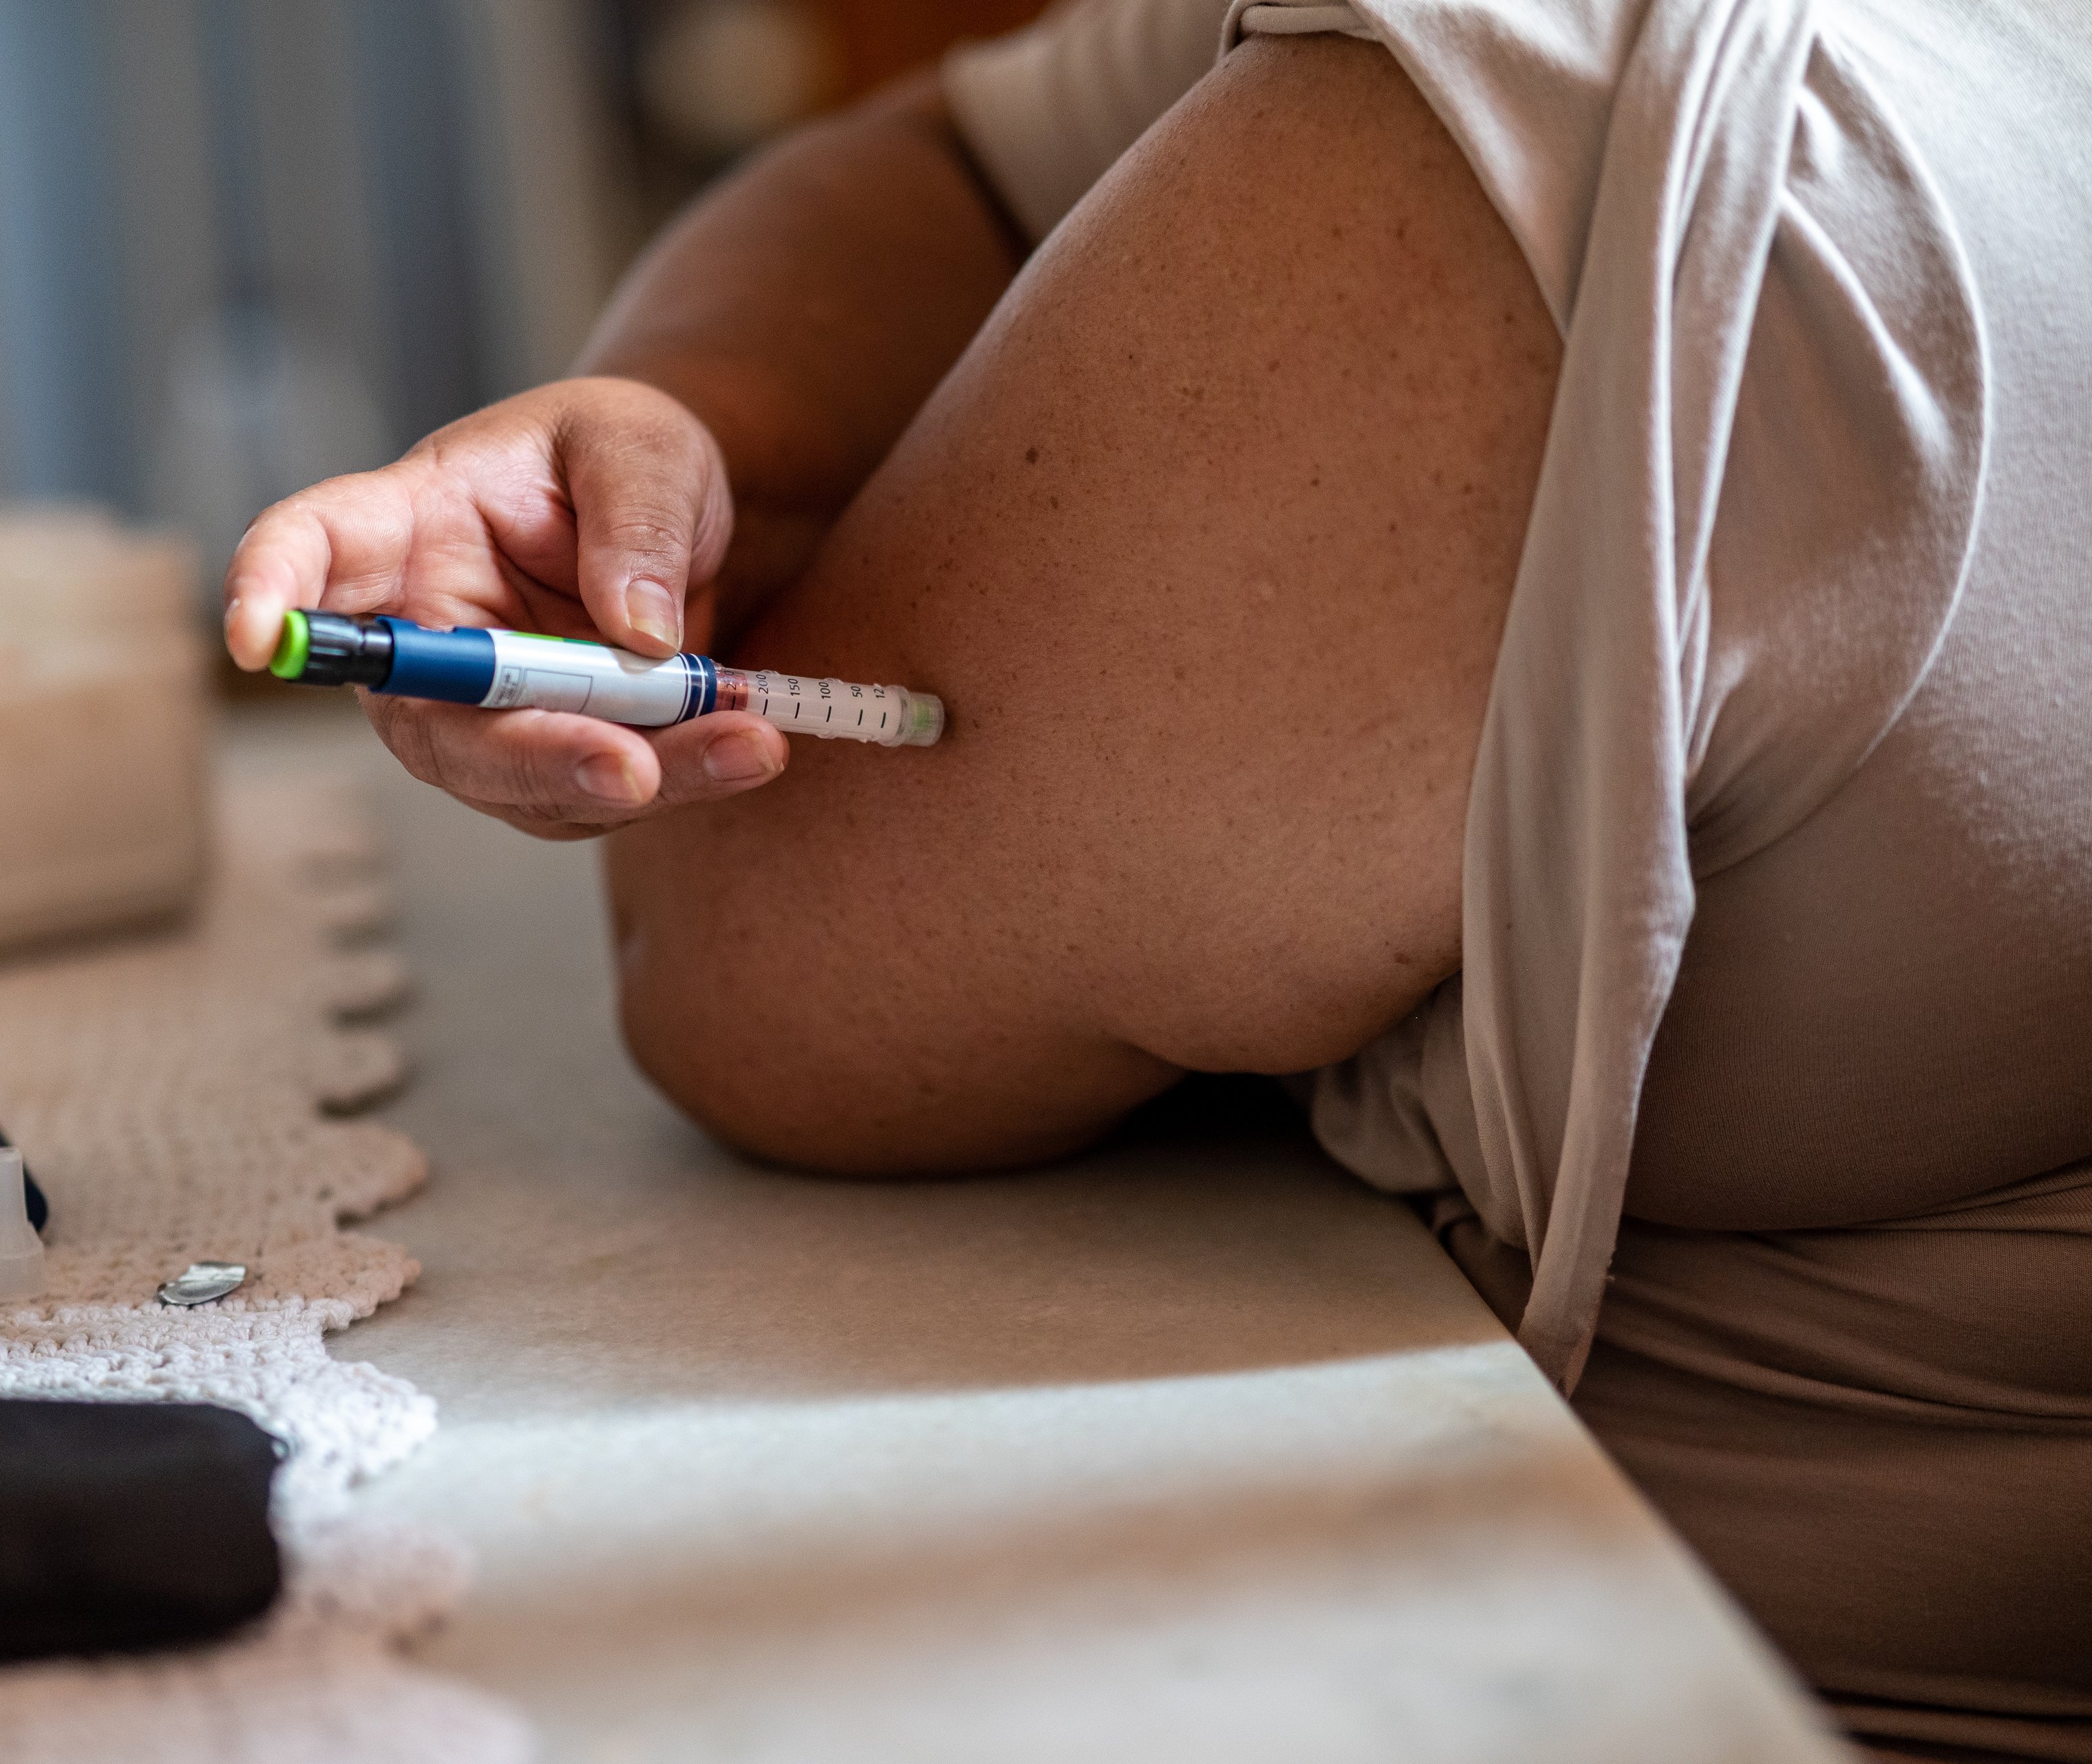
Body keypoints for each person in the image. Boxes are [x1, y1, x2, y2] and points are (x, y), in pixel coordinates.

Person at [224, 1, 2092, 1755]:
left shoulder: (1561, 188)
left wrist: (873, 498)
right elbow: (951, 159)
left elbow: (748, 946)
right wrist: (710, 421)